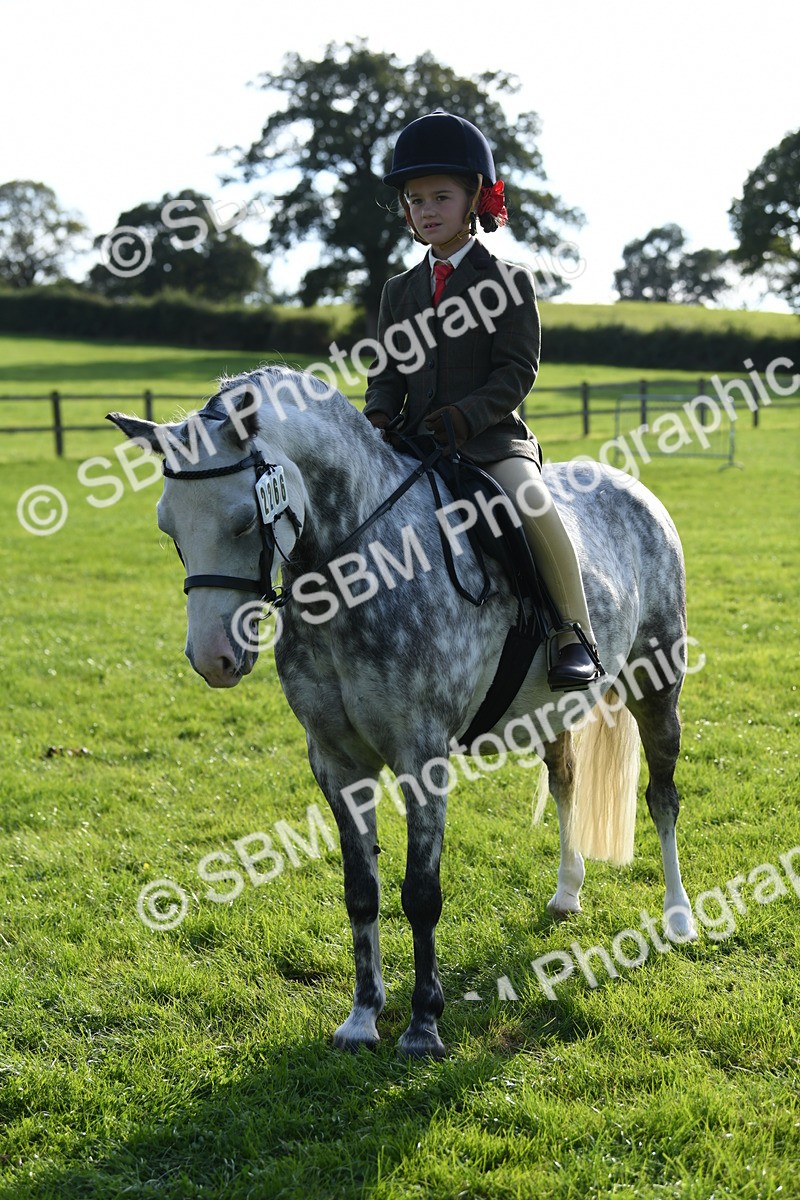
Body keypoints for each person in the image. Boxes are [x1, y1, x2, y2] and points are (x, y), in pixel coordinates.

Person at [364, 109, 603, 690]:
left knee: (531, 503)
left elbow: (517, 371)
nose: (426, 210)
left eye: (440, 197)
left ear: (474, 198)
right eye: (416, 200)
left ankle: (573, 633)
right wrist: (377, 415)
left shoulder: (509, 282)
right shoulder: (398, 291)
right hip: (415, 441)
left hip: (492, 441)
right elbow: (387, 370)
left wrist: (465, 418)